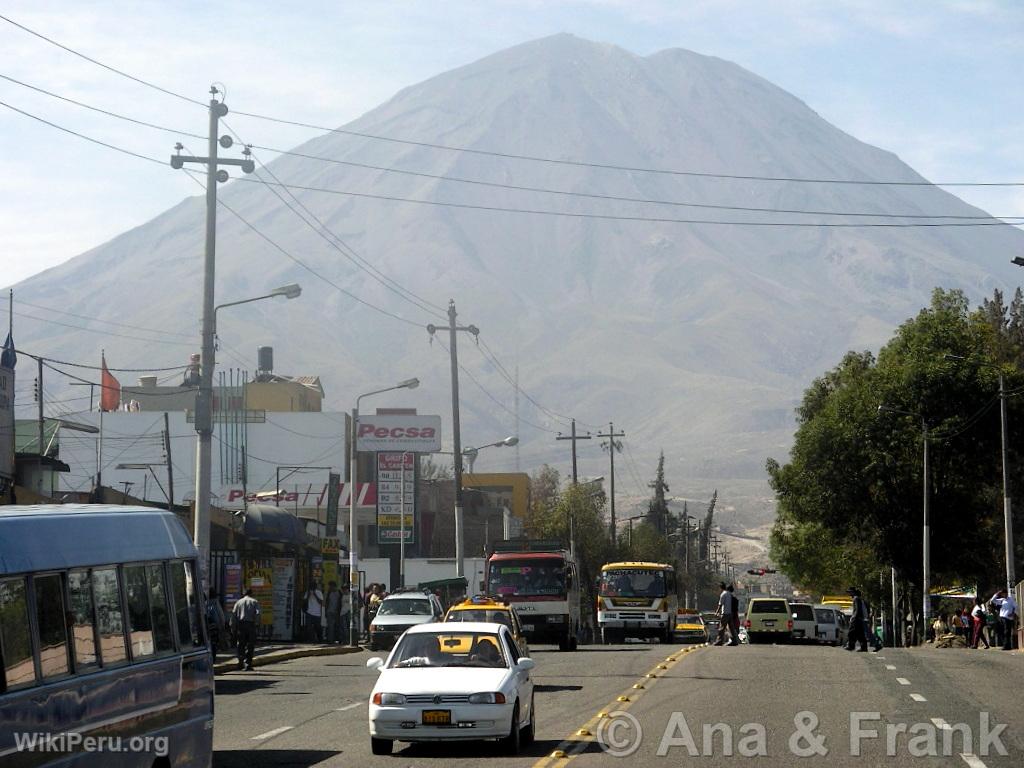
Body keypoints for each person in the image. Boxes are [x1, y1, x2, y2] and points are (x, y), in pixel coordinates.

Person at [232, 587, 261, 671]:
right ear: (251, 593)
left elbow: (234, 615)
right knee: (250, 645)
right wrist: (257, 624)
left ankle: (240, 661)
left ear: (244, 593)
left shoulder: (238, 602)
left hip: (241, 625)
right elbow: (258, 614)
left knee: (240, 644)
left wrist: (233, 627)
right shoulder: (254, 602)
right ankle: (248, 663)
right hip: (250, 625)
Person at [845, 587, 869, 651]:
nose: (849, 593)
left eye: (850, 592)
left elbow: (857, 610)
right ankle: (864, 647)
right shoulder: (858, 599)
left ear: (853, 592)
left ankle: (851, 646)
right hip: (859, 619)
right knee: (860, 634)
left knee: (851, 633)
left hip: (856, 619)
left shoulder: (856, 599)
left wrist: (854, 618)